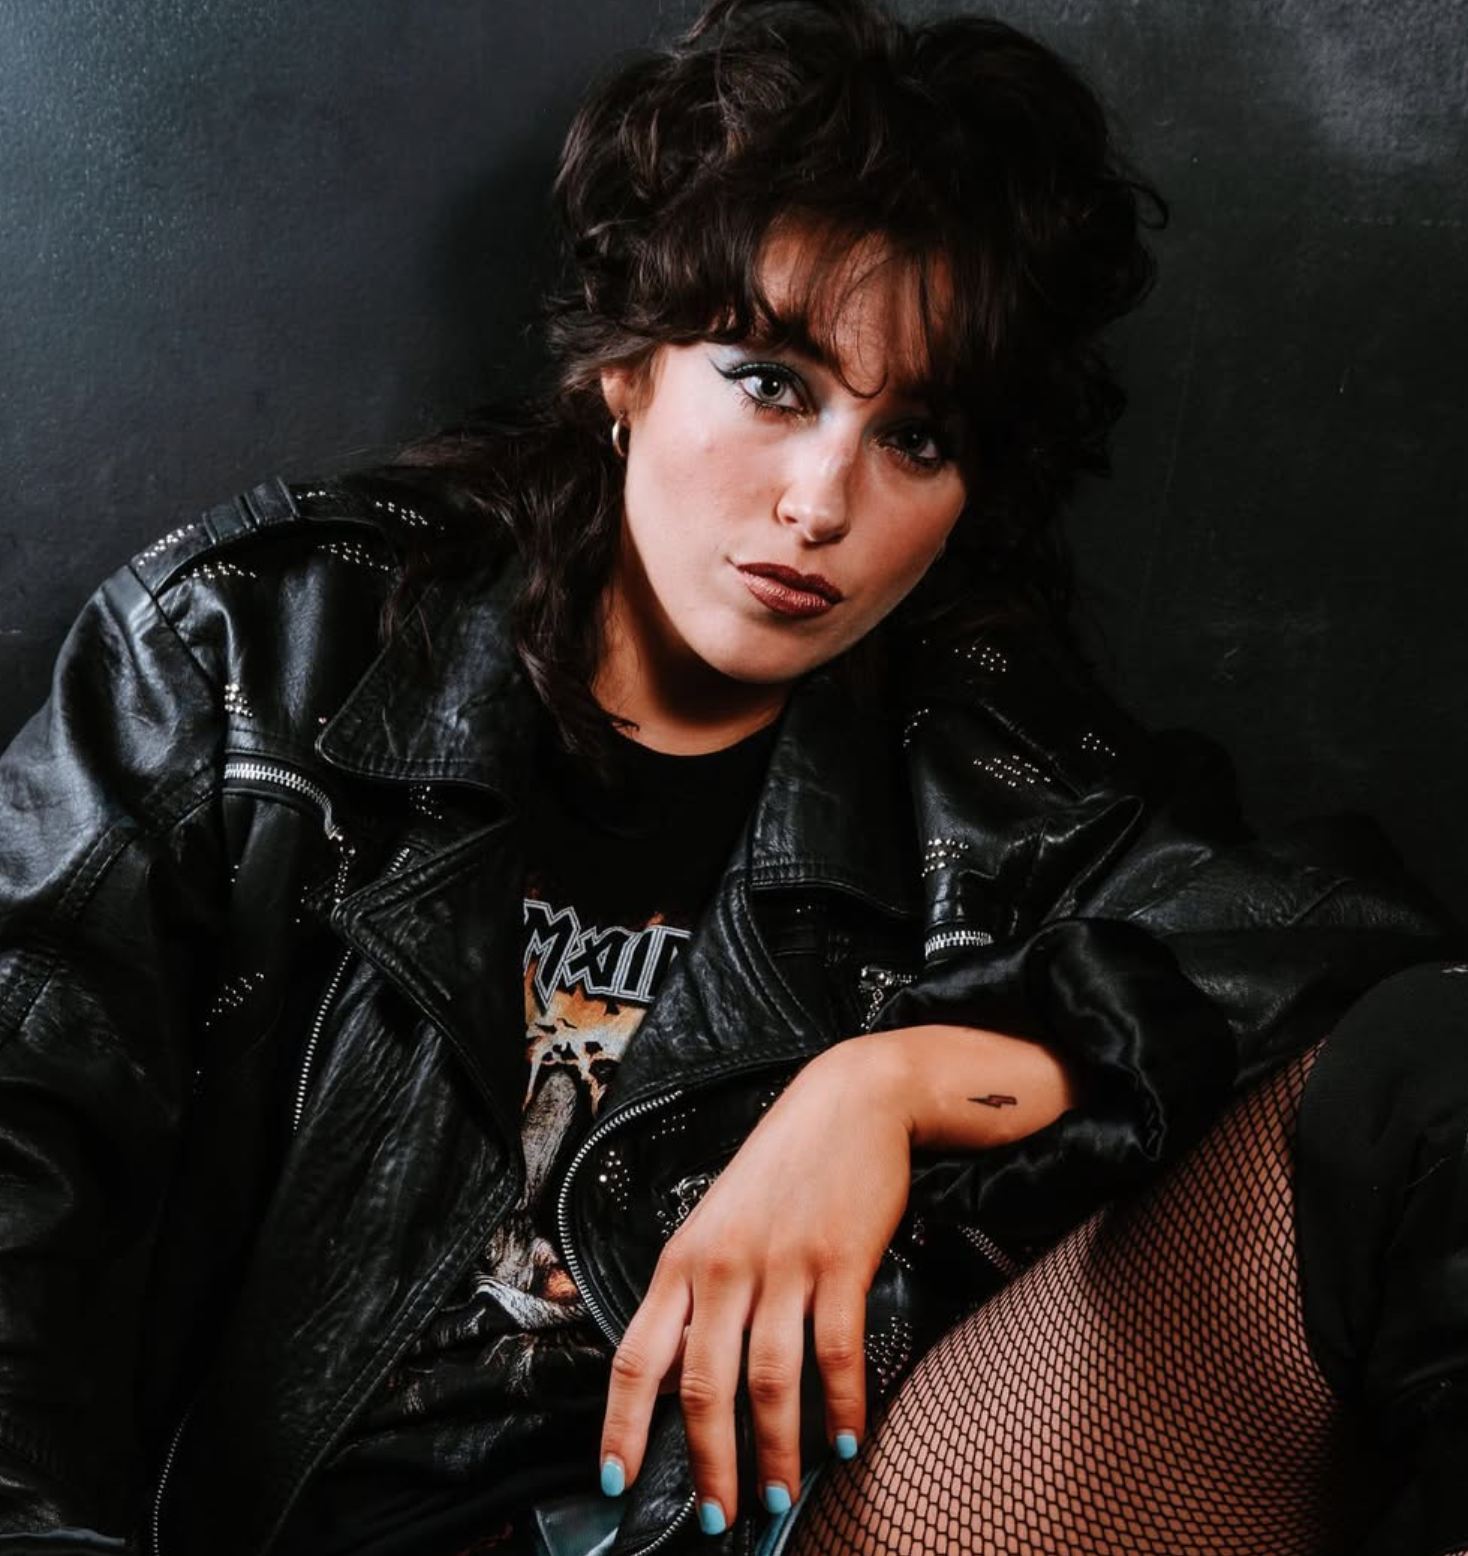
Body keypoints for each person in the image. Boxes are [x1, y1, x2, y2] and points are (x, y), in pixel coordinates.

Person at [0, 2, 1458, 1554]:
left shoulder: (969, 761)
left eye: (917, 438)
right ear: (623, 364)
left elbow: (1322, 942)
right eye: (772, 381)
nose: (823, 501)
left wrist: (888, 1087)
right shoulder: (265, 649)